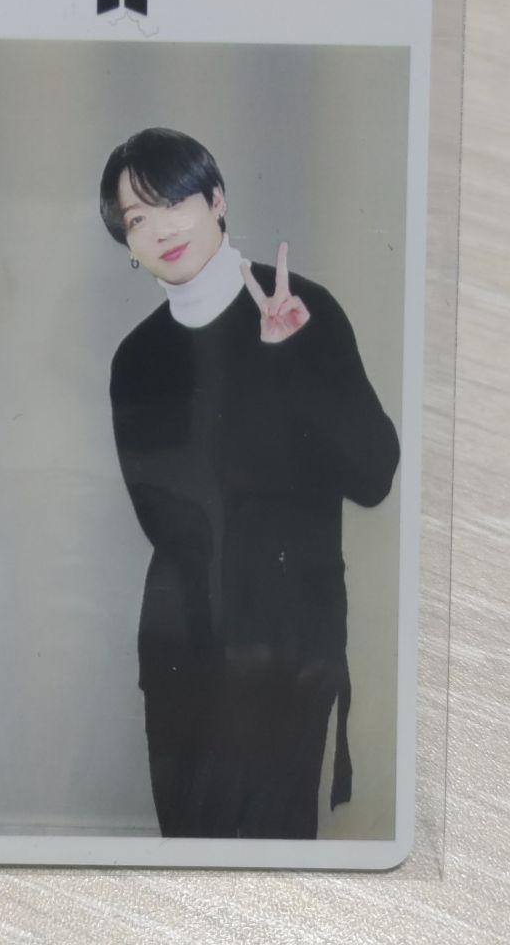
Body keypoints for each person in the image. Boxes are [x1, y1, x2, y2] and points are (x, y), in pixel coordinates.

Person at [101, 127, 400, 839]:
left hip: (289, 641)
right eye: (137, 219)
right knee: (188, 858)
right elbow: (168, 521)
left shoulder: (302, 309)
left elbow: (373, 475)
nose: (161, 229)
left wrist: (288, 364)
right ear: (130, 246)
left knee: (271, 864)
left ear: (216, 200)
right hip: (183, 647)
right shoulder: (137, 360)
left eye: (173, 201)